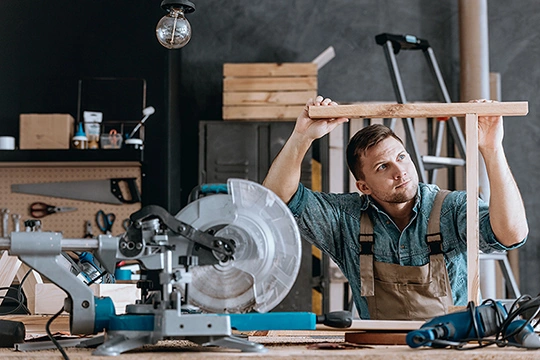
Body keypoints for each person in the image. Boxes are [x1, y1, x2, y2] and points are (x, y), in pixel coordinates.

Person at [263, 95, 528, 320]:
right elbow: (276, 200)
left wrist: (492, 149)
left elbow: (511, 235)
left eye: (401, 157)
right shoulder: (346, 220)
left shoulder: (452, 208)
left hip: (454, 350)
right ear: (364, 186)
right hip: (380, 352)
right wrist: (301, 137)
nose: (400, 171)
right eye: (383, 166)